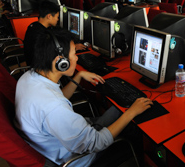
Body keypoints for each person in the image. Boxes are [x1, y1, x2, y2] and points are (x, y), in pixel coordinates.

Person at [15, 28, 153, 166]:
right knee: (133, 129)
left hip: (64, 139)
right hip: (80, 157)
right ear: (61, 62)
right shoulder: (54, 107)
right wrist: (131, 113)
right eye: (74, 53)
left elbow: (58, 97)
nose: (76, 58)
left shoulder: (29, 77)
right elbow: (96, 143)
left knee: (119, 109)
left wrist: (78, 76)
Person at [24, 1, 86, 66]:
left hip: (33, 63)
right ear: (49, 16)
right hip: (39, 67)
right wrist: (73, 48)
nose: (58, 19)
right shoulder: (43, 35)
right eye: (57, 17)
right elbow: (53, 54)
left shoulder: (34, 26)